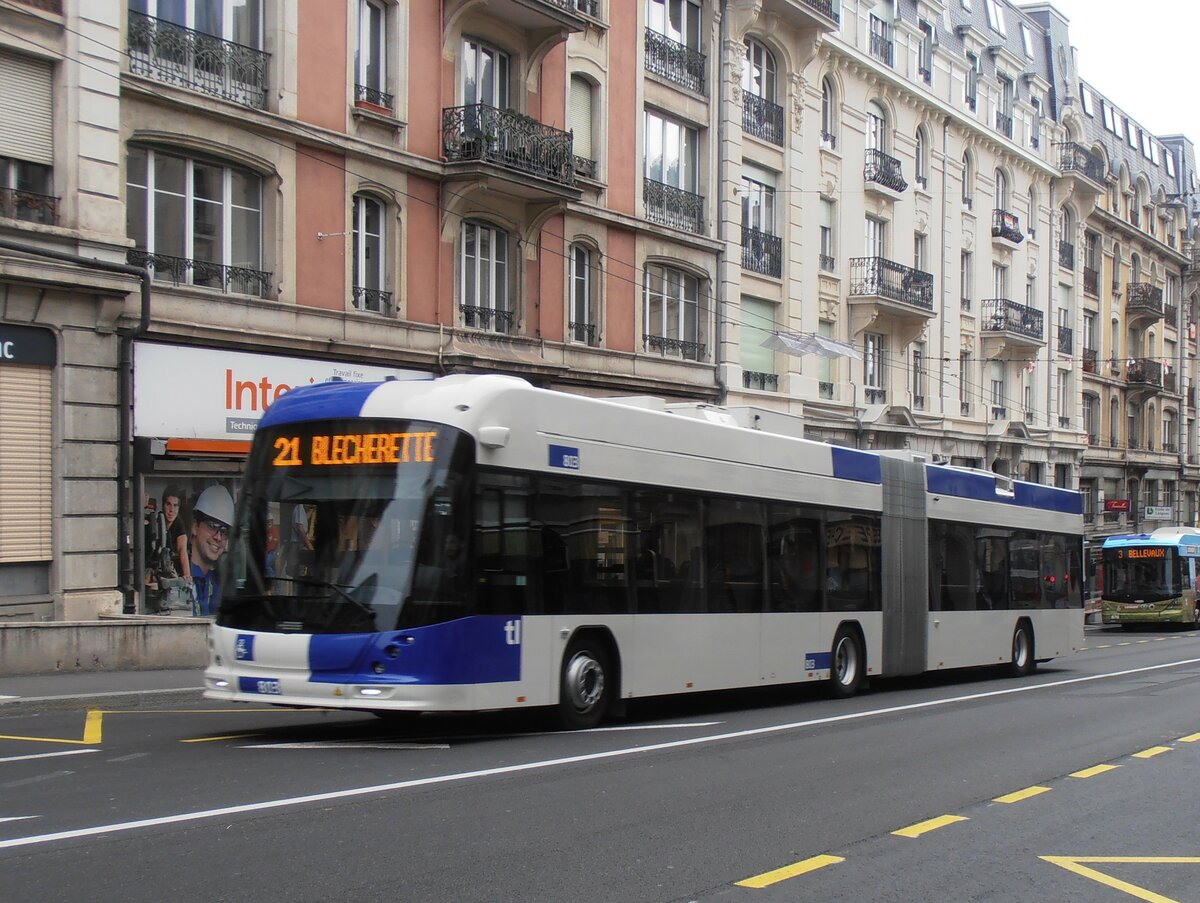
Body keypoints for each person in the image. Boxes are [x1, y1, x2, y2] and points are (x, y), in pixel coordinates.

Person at [190, 485, 234, 616]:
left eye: (224, 532)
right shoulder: (184, 575)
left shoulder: (213, 583)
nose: (218, 537)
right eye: (211, 526)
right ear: (194, 527)